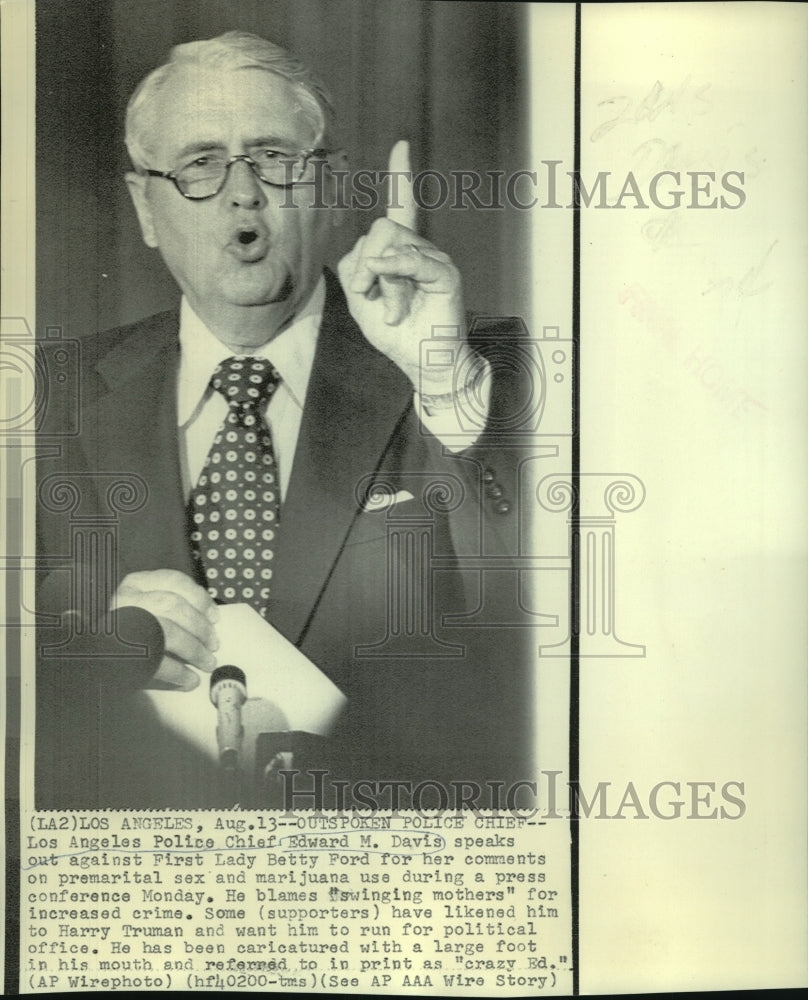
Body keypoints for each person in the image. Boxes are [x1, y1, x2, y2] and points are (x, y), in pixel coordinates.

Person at [35, 31, 533, 809]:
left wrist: (443, 383)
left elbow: (551, 627)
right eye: (201, 163)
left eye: (274, 157)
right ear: (145, 207)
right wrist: (82, 647)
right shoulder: (46, 397)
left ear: (329, 189)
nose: (243, 194)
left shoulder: (473, 364)